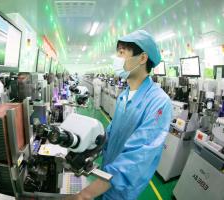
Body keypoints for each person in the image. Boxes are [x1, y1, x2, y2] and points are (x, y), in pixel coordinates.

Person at [69, 30, 172, 200]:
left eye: (122, 52)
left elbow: (137, 159)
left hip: (123, 189)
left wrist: (85, 194)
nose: (117, 57)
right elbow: (110, 134)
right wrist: (89, 151)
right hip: (105, 176)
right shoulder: (125, 95)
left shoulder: (159, 102)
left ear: (142, 58)